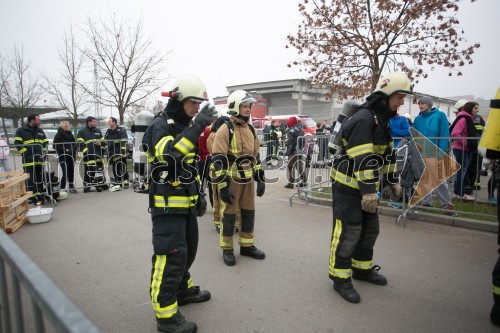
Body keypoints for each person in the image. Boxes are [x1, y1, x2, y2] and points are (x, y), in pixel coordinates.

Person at [142, 75, 216, 333]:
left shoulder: (184, 127)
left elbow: (190, 169)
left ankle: (182, 291)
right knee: (170, 257)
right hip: (166, 206)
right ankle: (166, 316)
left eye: (200, 103)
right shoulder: (160, 125)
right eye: (194, 102)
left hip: (185, 206)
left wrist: (200, 197)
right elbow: (170, 155)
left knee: (188, 251)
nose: (197, 108)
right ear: (179, 100)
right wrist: (198, 127)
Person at [328, 72, 408, 303]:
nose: (401, 102)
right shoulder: (364, 119)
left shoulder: (381, 119)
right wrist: (368, 191)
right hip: (348, 186)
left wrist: (392, 179)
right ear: (386, 95)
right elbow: (362, 158)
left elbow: (387, 152)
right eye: (399, 97)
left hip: (365, 187)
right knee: (348, 232)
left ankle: (361, 269)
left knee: (369, 229)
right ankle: (340, 278)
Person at [211, 90, 266, 267]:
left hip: (248, 180)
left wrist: (260, 177)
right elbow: (218, 159)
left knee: (249, 213)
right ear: (235, 107)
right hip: (231, 180)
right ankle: (227, 249)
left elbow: (255, 156)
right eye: (244, 106)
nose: (248, 109)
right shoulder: (225, 129)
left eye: (249, 106)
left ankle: (247, 246)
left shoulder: (251, 129)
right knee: (228, 215)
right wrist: (223, 187)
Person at [412, 96, 455, 215]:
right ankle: (426, 202)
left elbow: (444, 134)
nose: (420, 105)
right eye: (419, 104)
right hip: (421, 153)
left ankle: (447, 205)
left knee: (439, 179)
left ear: (429, 104)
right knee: (424, 179)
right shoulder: (417, 119)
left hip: (435, 152)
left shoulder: (440, 116)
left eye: (423, 103)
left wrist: (441, 151)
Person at [14, 114, 48, 203]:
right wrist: (26, 153)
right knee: (29, 179)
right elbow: (17, 143)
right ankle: (30, 196)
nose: (39, 121)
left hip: (39, 159)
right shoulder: (21, 130)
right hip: (28, 160)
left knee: (39, 178)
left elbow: (45, 142)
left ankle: (39, 194)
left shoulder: (40, 130)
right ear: (32, 120)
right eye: (38, 120)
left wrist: (43, 152)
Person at [450, 101, 479, 200]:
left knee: (462, 171)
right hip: (461, 149)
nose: (477, 110)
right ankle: (459, 193)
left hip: (465, 149)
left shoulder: (467, 118)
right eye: (475, 108)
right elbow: (455, 133)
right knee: (461, 172)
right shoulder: (463, 118)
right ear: (469, 108)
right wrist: (466, 143)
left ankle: (458, 193)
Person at [77, 116, 107, 193]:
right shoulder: (82, 131)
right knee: (88, 170)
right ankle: (87, 185)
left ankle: (100, 184)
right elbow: (80, 143)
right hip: (88, 154)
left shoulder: (98, 131)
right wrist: (86, 152)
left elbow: (104, 141)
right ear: (89, 122)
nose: (95, 123)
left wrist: (101, 143)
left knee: (99, 170)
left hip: (98, 154)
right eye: (94, 121)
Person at [104, 117, 130, 190]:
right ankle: (118, 181)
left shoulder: (121, 131)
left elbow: (124, 142)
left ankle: (126, 181)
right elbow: (105, 140)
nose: (108, 123)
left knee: (122, 167)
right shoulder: (108, 131)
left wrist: (122, 152)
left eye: (109, 121)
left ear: (114, 122)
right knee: (115, 167)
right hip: (112, 152)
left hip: (120, 152)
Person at [53, 121, 78, 193]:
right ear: (64, 127)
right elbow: (55, 145)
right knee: (65, 171)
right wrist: (65, 150)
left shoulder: (70, 134)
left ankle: (71, 185)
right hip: (63, 156)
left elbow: (74, 143)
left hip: (71, 155)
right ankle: (62, 187)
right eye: (68, 126)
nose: (70, 127)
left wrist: (74, 148)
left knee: (71, 171)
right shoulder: (58, 135)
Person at [284, 116, 305, 188]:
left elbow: (290, 143)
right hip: (299, 151)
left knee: (290, 166)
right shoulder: (300, 129)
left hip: (293, 152)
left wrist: (288, 152)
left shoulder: (291, 131)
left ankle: (291, 183)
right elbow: (303, 141)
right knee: (299, 167)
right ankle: (304, 182)